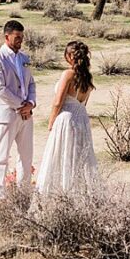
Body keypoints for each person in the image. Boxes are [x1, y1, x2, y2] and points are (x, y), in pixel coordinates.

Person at [35, 39, 99, 196]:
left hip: (67, 118)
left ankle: (60, 191)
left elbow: (58, 101)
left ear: (69, 56)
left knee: (61, 154)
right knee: (78, 156)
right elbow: (84, 103)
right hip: (81, 118)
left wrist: (51, 122)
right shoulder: (87, 77)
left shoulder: (68, 74)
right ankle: (78, 191)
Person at [0, 19, 35, 198]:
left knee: (26, 156)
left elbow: (31, 83)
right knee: (2, 158)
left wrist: (31, 103)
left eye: (22, 37)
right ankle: (0, 197)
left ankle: (24, 194)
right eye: (17, 37)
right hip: (7, 114)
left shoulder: (24, 58)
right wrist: (20, 105)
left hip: (26, 115)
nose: (20, 40)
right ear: (7, 36)